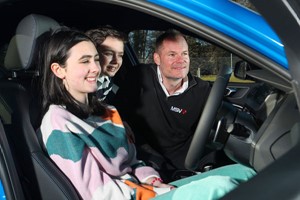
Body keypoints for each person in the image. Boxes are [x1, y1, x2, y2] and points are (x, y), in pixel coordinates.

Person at [39, 27, 256, 200]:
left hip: (146, 188)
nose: (96, 68)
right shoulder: (59, 121)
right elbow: (98, 195)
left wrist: (153, 180)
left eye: (96, 59)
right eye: (85, 61)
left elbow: (133, 161)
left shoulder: (108, 112)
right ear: (59, 70)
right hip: (130, 197)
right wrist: (152, 193)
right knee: (221, 188)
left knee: (246, 173)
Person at [115, 29, 212, 170]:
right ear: (157, 59)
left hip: (186, 165)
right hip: (144, 159)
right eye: (172, 55)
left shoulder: (203, 90)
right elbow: (117, 112)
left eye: (184, 54)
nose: (181, 60)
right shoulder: (139, 76)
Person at [86, 26, 127, 104]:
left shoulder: (107, 81)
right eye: (108, 53)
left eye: (120, 55)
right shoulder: (77, 82)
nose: (116, 61)